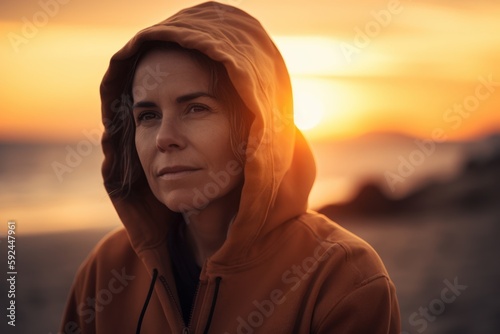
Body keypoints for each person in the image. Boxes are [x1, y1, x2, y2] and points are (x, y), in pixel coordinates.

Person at [60, 2, 401, 333]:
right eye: (148, 116)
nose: (165, 138)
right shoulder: (106, 270)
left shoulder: (342, 277)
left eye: (196, 108)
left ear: (258, 126)